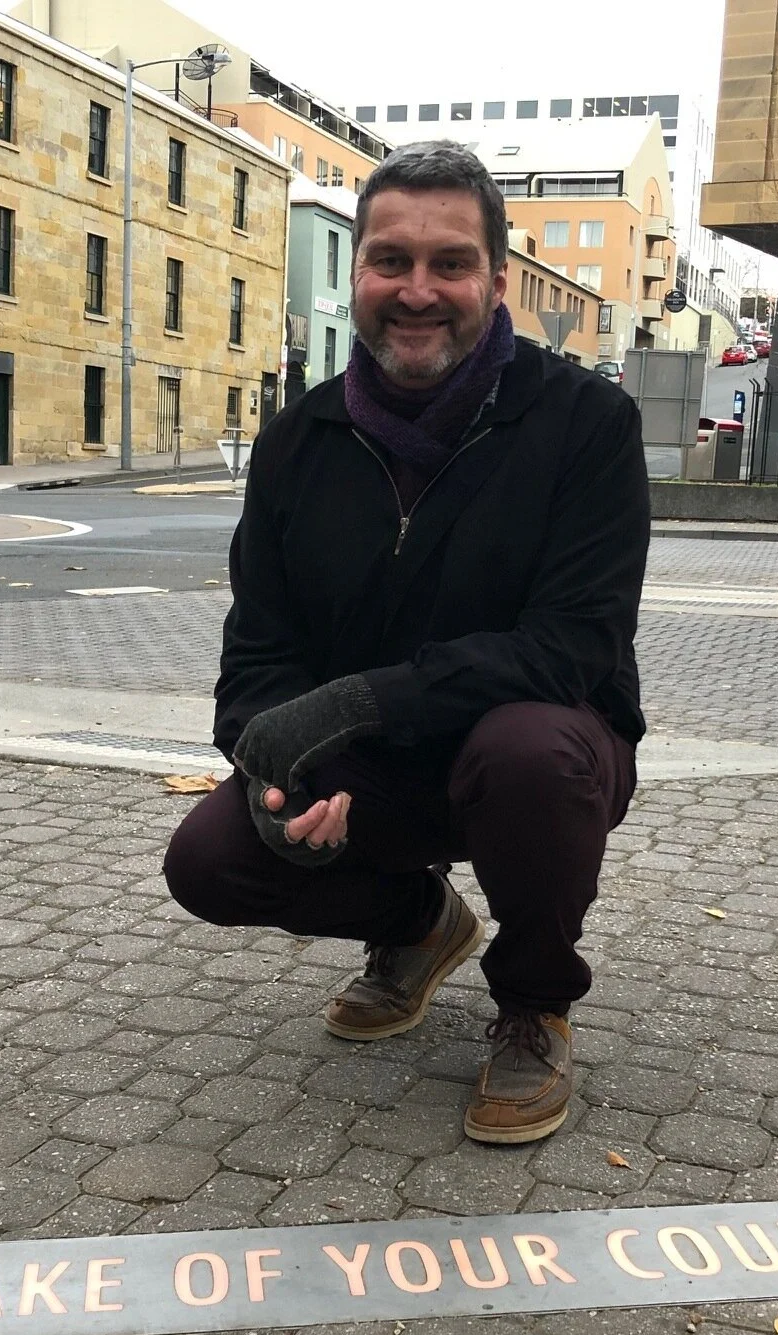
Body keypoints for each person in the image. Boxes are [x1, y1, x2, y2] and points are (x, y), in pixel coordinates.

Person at [163, 141, 649, 1145]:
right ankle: (418, 927)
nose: (418, 290)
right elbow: (258, 652)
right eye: (391, 261)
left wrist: (352, 704)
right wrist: (269, 771)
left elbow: (572, 648)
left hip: (538, 758)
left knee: (530, 750)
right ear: (359, 273)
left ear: (497, 280)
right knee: (210, 861)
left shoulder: (586, 423)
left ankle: (532, 1003)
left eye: (450, 264)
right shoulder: (299, 441)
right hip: (375, 772)